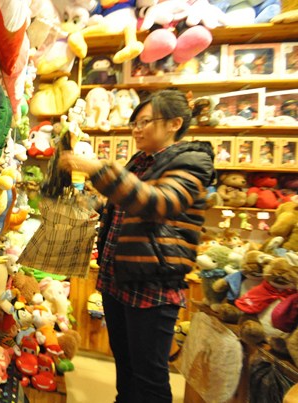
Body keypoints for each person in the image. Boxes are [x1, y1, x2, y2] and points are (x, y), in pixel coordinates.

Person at [59, 89, 215, 403]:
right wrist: (91, 203)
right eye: (134, 122)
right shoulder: (141, 161)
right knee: (127, 368)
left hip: (152, 284)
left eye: (145, 121)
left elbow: (157, 202)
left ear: (174, 123)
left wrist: (96, 168)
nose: (136, 129)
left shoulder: (193, 161)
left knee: (150, 378)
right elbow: (122, 207)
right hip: (119, 280)